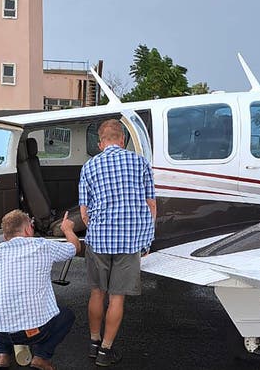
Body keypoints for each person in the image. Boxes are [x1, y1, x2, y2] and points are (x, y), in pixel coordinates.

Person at [79, 119, 156, 367]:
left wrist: (98, 229)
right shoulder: (140, 162)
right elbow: (151, 205)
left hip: (99, 240)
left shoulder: (89, 166)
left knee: (96, 292)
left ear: (101, 143)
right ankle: (105, 351)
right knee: (117, 297)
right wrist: (146, 239)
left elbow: (84, 212)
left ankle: (93, 342)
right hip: (130, 240)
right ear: (122, 140)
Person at [0, 210, 80, 370]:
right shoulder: (41, 246)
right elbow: (74, 247)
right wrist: (68, 229)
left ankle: (2, 356)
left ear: (5, 235)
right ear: (28, 229)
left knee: (0, 309)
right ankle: (41, 358)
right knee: (66, 316)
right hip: (34, 331)